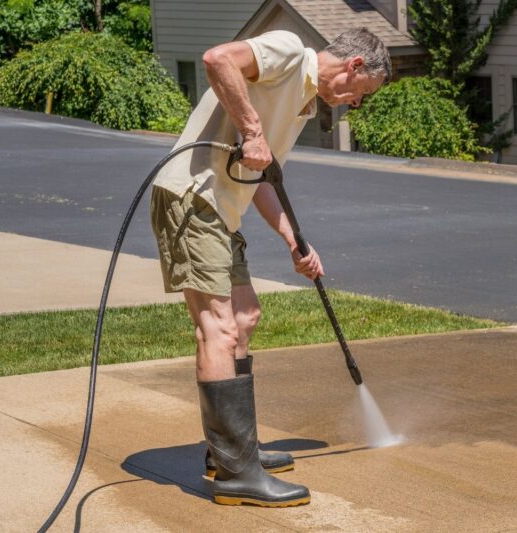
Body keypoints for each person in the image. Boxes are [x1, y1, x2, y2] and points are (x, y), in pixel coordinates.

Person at [149, 28, 389, 507]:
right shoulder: (287, 51)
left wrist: (293, 240)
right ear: (354, 67)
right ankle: (238, 473)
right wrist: (254, 132)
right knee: (217, 328)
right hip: (193, 198)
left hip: (219, 209)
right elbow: (218, 58)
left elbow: (259, 174)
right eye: (360, 94)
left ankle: (233, 449)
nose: (353, 104)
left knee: (244, 318)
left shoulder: (300, 103)